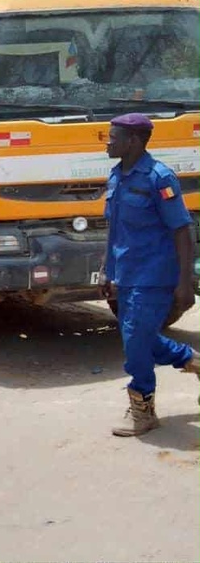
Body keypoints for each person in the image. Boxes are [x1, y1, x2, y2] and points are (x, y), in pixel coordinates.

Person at [100, 113, 199, 437]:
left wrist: (186, 283)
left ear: (133, 141)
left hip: (155, 275)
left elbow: (183, 232)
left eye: (113, 137)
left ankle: (143, 408)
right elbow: (115, 231)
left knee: (135, 343)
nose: (108, 141)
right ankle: (193, 361)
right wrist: (106, 270)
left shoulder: (159, 178)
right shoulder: (117, 177)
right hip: (126, 273)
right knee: (138, 338)